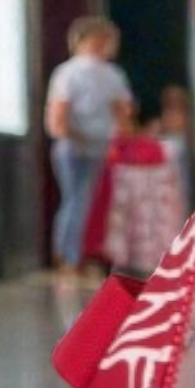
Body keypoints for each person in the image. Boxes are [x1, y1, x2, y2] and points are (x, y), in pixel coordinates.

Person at [45, 16, 134, 276]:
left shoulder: (67, 72)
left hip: (77, 145)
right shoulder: (108, 75)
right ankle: (73, 256)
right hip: (87, 146)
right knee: (81, 200)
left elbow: (57, 117)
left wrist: (69, 133)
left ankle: (71, 255)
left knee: (76, 200)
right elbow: (123, 113)